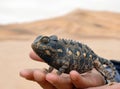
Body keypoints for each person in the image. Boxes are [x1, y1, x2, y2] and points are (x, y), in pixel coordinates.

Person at [20, 51, 120, 89]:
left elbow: (65, 63)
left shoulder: (60, 53)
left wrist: (110, 79)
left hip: (90, 59)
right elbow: (56, 63)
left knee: (99, 66)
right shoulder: (56, 54)